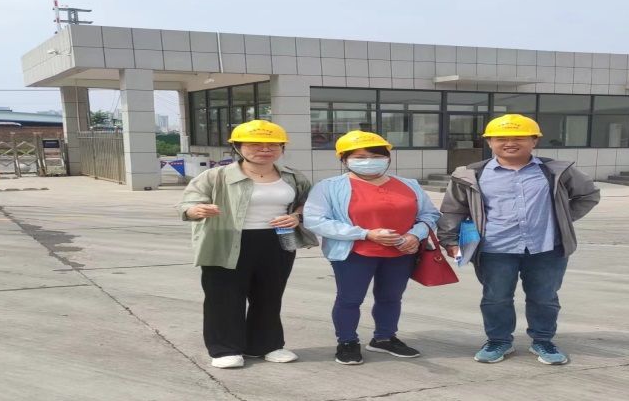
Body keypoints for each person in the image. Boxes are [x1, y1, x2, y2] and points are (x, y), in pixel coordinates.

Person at [437, 114, 601, 365]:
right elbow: (453, 210)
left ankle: (543, 340)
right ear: (489, 142)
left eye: (519, 138)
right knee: (496, 298)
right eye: (501, 138)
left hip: (546, 248)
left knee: (544, 298)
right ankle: (499, 341)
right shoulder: (470, 175)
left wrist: (561, 220)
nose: (510, 143)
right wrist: (450, 240)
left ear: (534, 141)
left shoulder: (556, 171)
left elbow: (588, 195)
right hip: (494, 249)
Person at [177, 120, 317, 369]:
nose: (265, 149)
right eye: (255, 144)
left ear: (282, 148)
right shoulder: (216, 176)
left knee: (269, 296)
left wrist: (296, 216)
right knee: (224, 297)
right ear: (238, 147)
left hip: (277, 242)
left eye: (273, 145)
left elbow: (309, 203)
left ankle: (266, 345)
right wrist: (195, 210)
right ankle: (225, 349)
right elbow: (188, 203)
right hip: (225, 240)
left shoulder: (292, 176)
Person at [303, 131, 441, 365]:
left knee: (391, 298)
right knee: (349, 299)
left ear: (388, 158)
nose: (369, 161)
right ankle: (347, 342)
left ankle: (384, 338)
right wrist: (366, 234)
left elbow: (429, 214)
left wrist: (415, 235)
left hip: (400, 253)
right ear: (344, 159)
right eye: (360, 157)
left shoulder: (408, 185)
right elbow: (316, 220)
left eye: (376, 156)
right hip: (354, 253)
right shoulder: (328, 187)